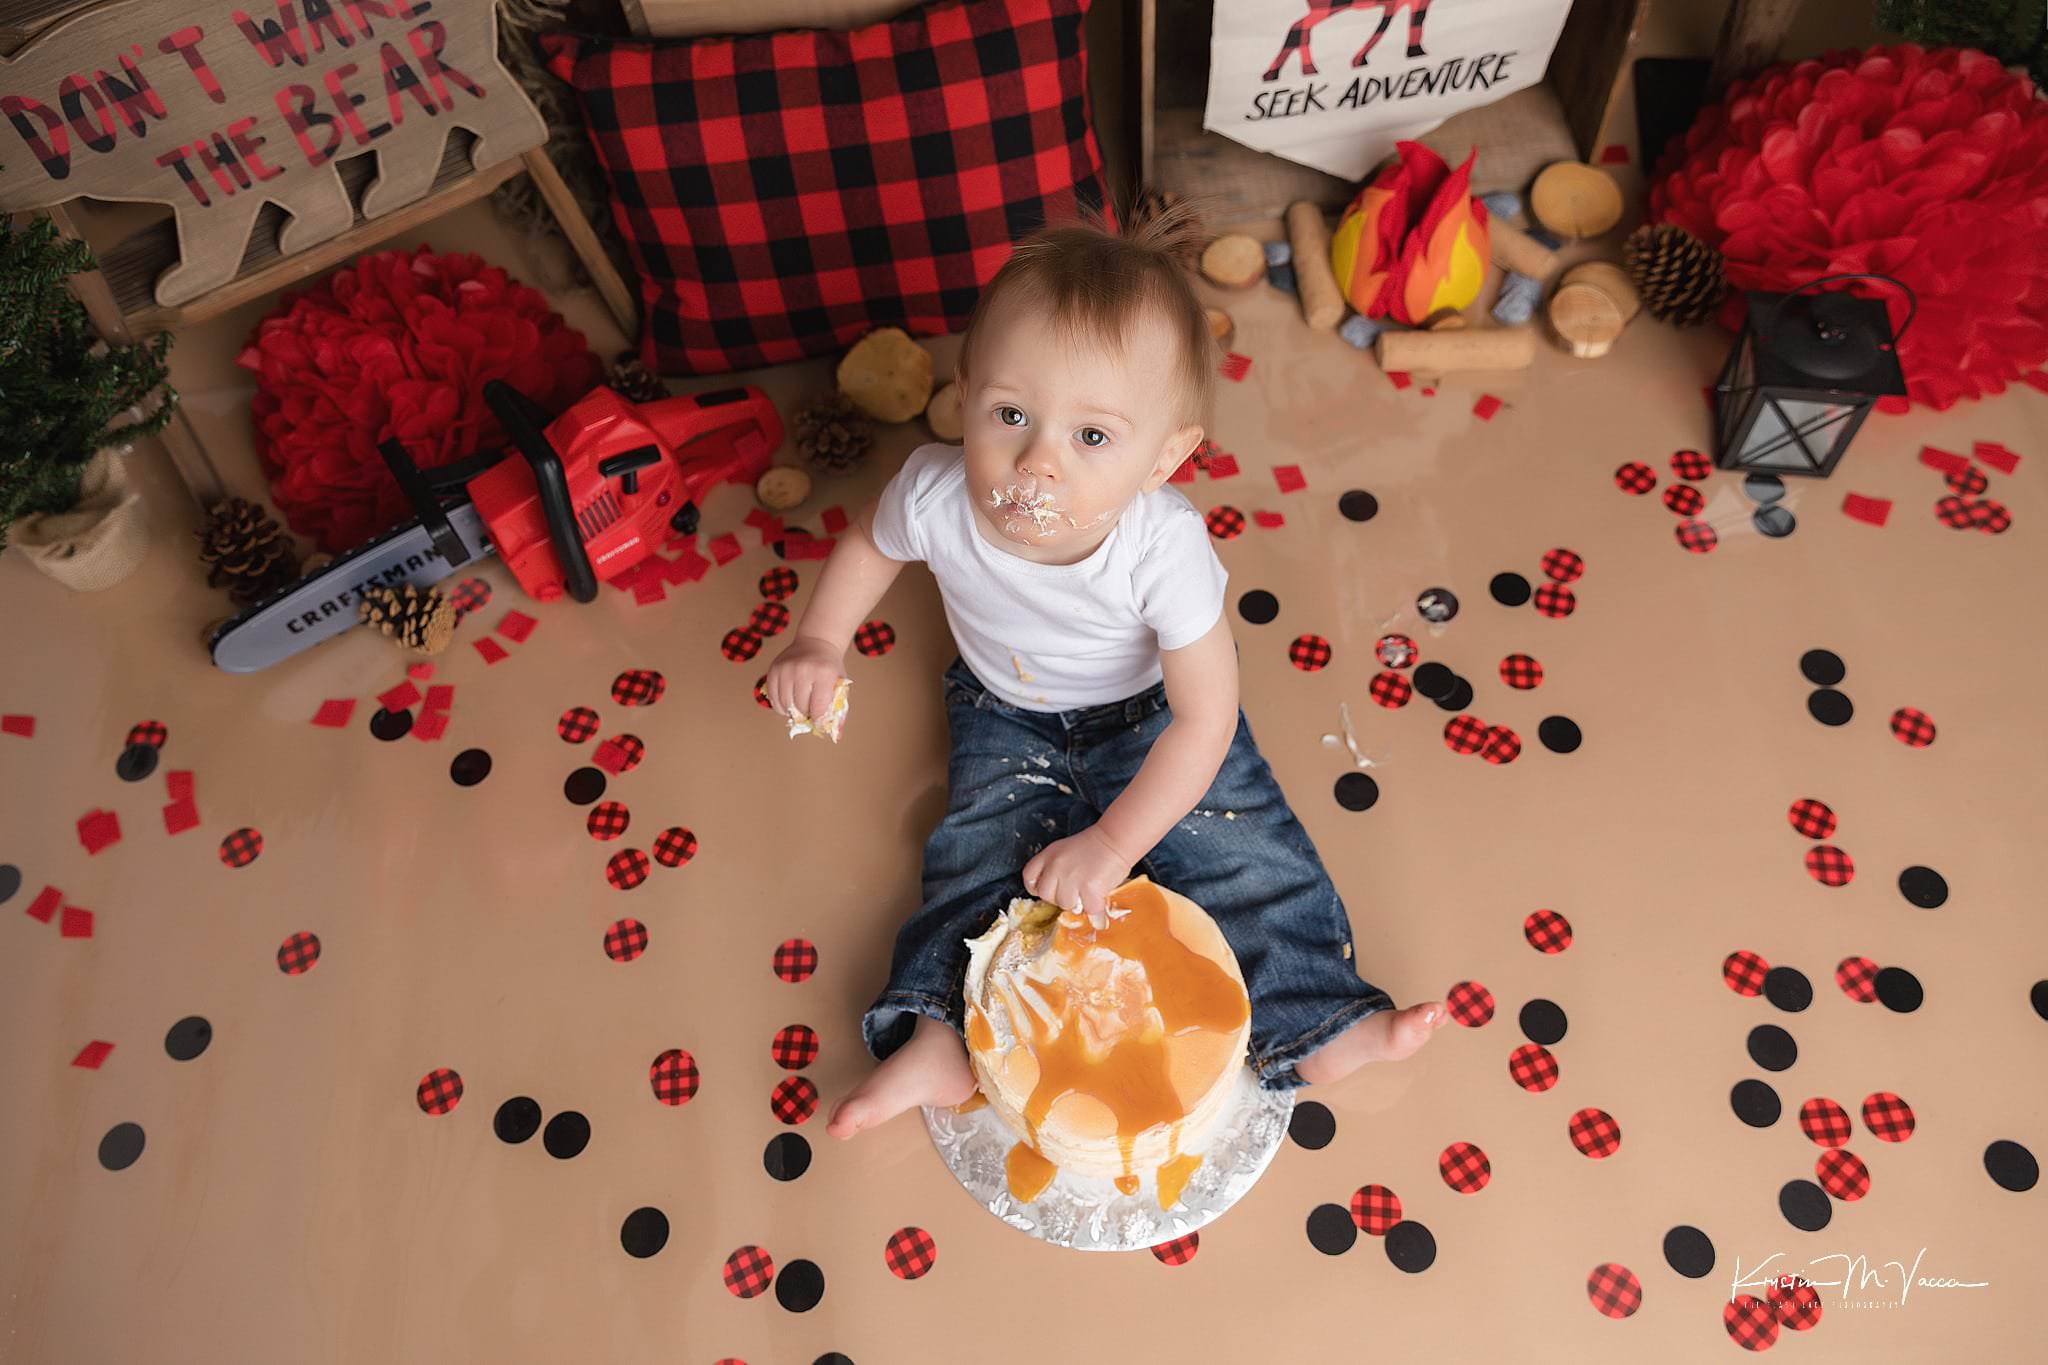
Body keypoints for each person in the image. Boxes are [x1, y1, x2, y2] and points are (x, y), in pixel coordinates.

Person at [761, 207, 1446, 1142]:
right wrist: (819, 641)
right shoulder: (933, 492)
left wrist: (1116, 843)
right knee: (974, 851)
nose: (1037, 462)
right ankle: (940, 1033)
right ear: (964, 400)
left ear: (1164, 458)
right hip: (1003, 708)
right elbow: (866, 546)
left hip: (1155, 716)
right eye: (1011, 415)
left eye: (1092, 438)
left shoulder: (1161, 547)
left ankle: (1321, 1020)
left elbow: (1207, 721)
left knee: (1240, 848)